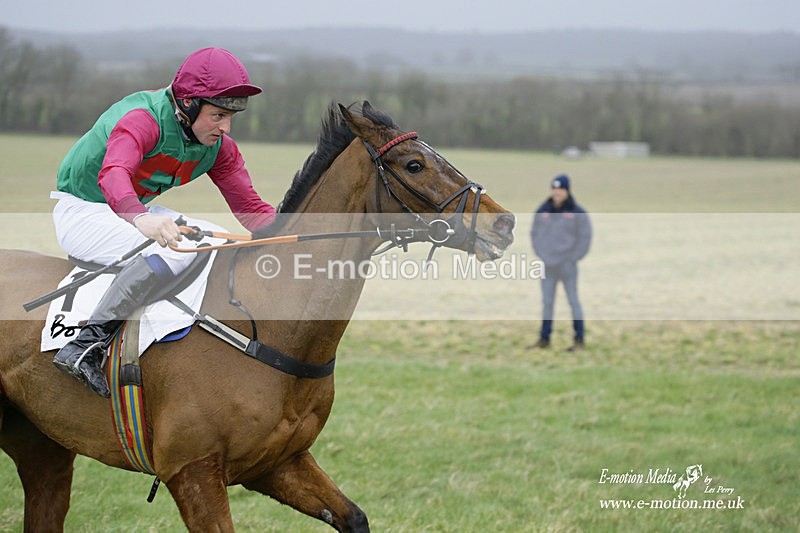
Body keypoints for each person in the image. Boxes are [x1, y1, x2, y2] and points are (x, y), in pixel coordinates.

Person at [51, 47, 276, 397]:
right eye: (218, 115)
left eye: (231, 117)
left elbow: (251, 209)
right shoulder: (142, 119)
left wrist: (310, 232)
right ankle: (84, 347)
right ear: (188, 104)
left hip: (125, 211)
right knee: (178, 247)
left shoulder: (219, 148)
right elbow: (113, 175)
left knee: (209, 237)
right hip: (82, 210)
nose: (226, 127)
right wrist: (140, 219)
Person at [530, 174, 592, 351]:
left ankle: (579, 340)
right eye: (555, 189)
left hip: (567, 266)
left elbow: (585, 239)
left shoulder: (577, 213)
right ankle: (544, 339)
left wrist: (572, 258)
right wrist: (541, 254)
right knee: (547, 303)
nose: (557, 193)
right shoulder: (543, 211)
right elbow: (534, 234)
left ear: (567, 191)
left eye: (561, 190)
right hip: (548, 265)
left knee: (573, 301)